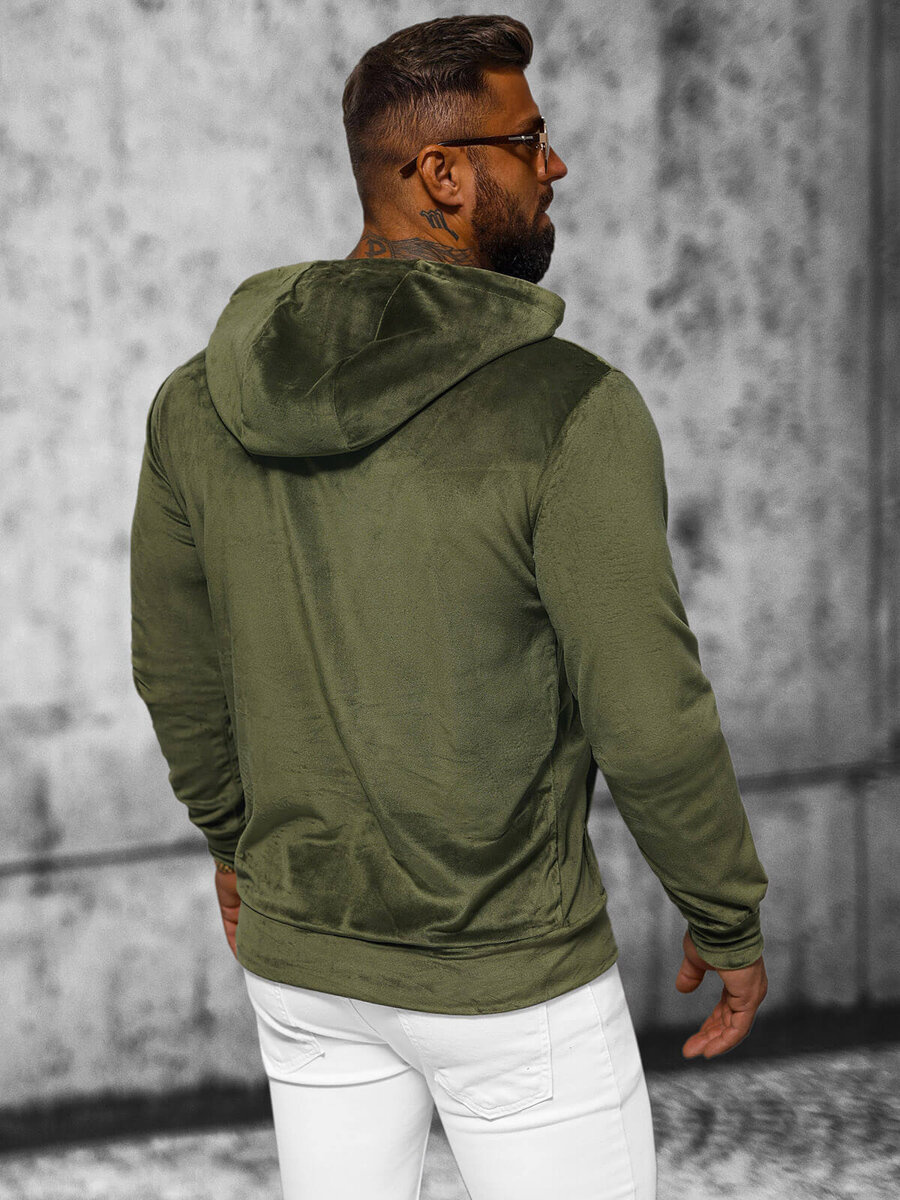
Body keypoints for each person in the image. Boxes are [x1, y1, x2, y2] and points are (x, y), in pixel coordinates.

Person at [129, 14, 769, 1200]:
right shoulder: (570, 410)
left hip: (305, 970)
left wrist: (234, 844)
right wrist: (724, 914)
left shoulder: (194, 405)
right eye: (530, 140)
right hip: (511, 984)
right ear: (442, 173)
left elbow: (177, 673)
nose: (556, 163)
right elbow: (648, 714)